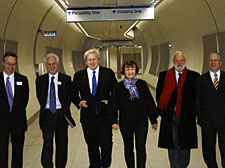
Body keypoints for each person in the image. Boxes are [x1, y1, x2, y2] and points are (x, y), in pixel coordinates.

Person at [71, 48, 117, 168]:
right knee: (92, 143)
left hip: (105, 115)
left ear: (98, 60)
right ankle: (94, 165)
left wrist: (110, 101)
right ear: (86, 61)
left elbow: (116, 91)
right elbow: (72, 92)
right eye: (89, 60)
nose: (92, 62)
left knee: (106, 143)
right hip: (88, 116)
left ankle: (105, 164)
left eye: (94, 59)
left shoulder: (108, 73)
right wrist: (79, 101)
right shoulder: (79, 75)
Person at [110, 60, 158, 168]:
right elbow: (113, 105)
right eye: (127, 69)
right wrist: (114, 121)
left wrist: (153, 119)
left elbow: (149, 102)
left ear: (136, 70)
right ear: (124, 71)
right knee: (128, 147)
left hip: (141, 121)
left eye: (132, 69)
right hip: (125, 122)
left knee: (141, 147)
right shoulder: (118, 87)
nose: (130, 71)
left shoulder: (142, 84)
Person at [156, 51, 200, 168]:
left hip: (187, 117)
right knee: (173, 142)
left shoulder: (194, 76)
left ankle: (183, 164)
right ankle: (174, 165)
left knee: (185, 143)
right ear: (173, 62)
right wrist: (163, 112)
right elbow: (159, 95)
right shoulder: (164, 76)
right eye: (177, 60)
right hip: (170, 116)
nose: (179, 63)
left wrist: (196, 113)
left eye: (181, 61)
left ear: (185, 62)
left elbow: (197, 97)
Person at [36, 53, 75, 168]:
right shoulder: (40, 80)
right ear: (46, 65)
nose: (51, 66)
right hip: (47, 115)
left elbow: (70, 96)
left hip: (61, 115)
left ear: (57, 64)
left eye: (53, 63)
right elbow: (40, 97)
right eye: (49, 64)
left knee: (62, 143)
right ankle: (47, 165)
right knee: (47, 143)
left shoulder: (66, 79)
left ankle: (60, 165)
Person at [195, 52, 225, 168]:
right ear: (208, 63)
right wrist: (200, 116)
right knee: (208, 150)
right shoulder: (201, 80)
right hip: (207, 122)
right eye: (211, 60)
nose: (213, 62)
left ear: (220, 63)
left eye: (216, 60)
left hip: (223, 121)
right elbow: (197, 100)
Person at [0, 52, 29, 168]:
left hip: (18, 121)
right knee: (2, 152)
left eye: (13, 64)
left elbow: (25, 99)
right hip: (1, 122)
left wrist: (17, 112)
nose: (10, 67)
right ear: (3, 63)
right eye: (8, 64)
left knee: (18, 152)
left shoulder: (23, 79)